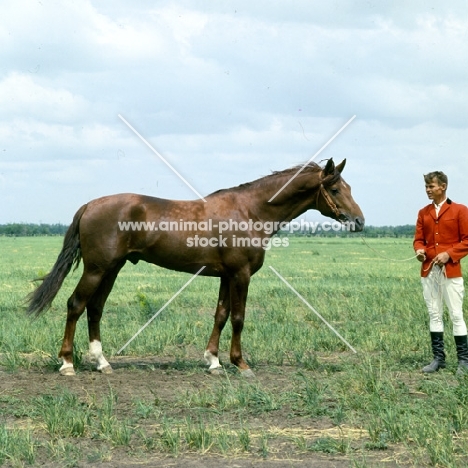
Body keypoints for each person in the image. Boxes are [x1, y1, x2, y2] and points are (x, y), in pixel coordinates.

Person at [414, 171, 468, 374]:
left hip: (451, 272)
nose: (428, 190)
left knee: (456, 315)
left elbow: (467, 240)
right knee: (434, 314)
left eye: (431, 186)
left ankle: (464, 361)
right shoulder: (423, 213)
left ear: (443, 186)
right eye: (426, 187)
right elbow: (419, 240)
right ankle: (438, 359)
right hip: (429, 271)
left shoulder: (460, 210)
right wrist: (419, 251)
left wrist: (449, 254)